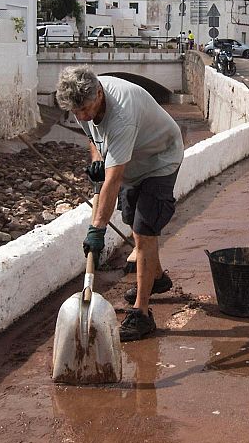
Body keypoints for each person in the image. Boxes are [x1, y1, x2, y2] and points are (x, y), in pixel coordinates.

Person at [56, 66, 184, 341]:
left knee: (145, 230)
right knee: (133, 223)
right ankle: (157, 279)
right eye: (76, 113)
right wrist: (97, 162)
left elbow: (113, 181)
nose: (82, 117)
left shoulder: (121, 115)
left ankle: (141, 312)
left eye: (86, 110)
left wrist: (97, 229)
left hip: (160, 159)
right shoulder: (82, 102)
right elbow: (94, 137)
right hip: (132, 162)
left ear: (99, 94)